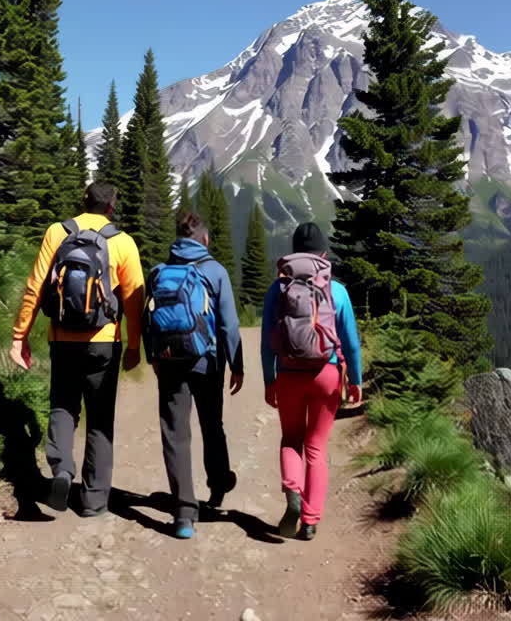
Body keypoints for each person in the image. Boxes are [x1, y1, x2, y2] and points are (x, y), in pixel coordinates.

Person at [11, 182, 144, 517]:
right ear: (112, 207)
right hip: (104, 342)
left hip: (62, 338)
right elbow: (133, 300)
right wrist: (134, 345)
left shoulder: (57, 232)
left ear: (83, 201)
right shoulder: (122, 242)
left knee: (62, 407)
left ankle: (61, 471)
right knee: (100, 418)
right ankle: (94, 500)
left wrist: (19, 335)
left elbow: (36, 285)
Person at [144, 211, 244, 539]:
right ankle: (216, 488)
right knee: (211, 424)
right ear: (204, 239)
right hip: (208, 362)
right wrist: (237, 364)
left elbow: (148, 317)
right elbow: (229, 324)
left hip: (170, 361)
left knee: (175, 432)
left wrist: (153, 356)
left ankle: (184, 514)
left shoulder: (159, 271)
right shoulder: (215, 271)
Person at [260, 221, 362, 541]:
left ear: (293, 252)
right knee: (316, 448)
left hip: (289, 374)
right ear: (324, 253)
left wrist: (269, 379)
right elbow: (352, 342)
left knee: (291, 439)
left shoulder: (278, 288)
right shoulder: (338, 290)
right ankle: (310, 520)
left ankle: (292, 491)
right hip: (326, 375)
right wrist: (355, 380)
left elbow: (266, 342)